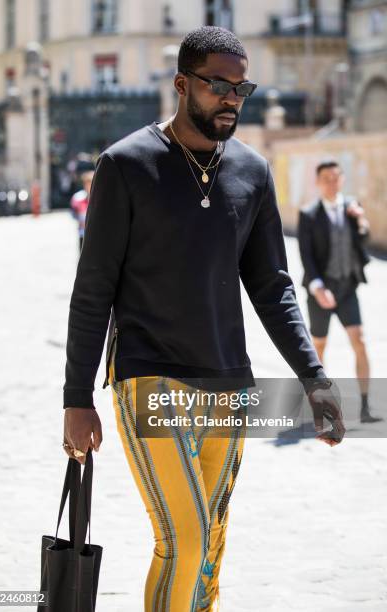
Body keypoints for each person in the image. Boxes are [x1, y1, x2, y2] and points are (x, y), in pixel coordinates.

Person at [62, 27, 345, 611]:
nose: (232, 100)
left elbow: (272, 287)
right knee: (182, 537)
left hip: (227, 383)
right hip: (149, 376)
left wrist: (314, 377)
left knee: (210, 543)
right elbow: (92, 291)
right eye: (219, 86)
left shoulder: (253, 172)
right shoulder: (125, 166)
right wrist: (76, 397)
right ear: (182, 83)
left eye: (241, 89)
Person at [298, 160, 382, 424]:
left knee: (360, 342)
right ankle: (320, 407)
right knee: (319, 349)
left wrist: (360, 220)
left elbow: (363, 239)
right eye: (326, 178)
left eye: (336, 177)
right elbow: (306, 256)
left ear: (342, 179)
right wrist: (319, 287)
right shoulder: (308, 214)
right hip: (320, 290)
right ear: (318, 182)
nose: (332, 182)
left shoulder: (351, 207)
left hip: (347, 288)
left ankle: (366, 407)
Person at [70, 170, 94, 253]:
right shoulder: (78, 198)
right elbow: (73, 214)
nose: (89, 186)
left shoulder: (101, 198)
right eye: (87, 183)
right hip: (83, 234)